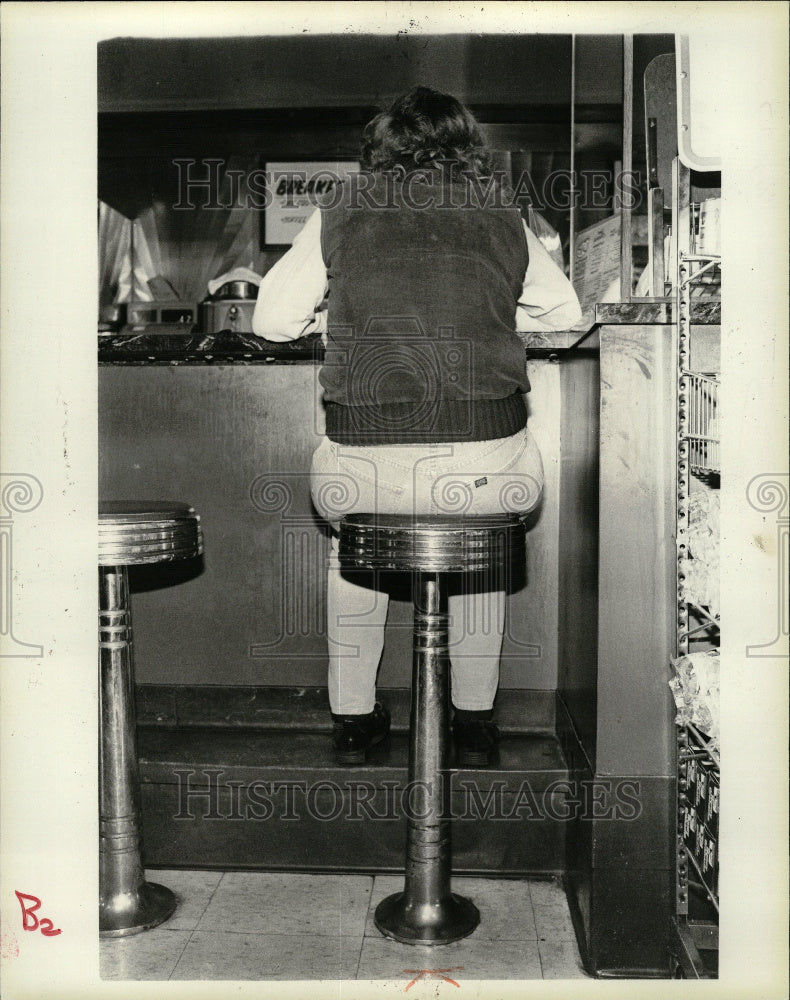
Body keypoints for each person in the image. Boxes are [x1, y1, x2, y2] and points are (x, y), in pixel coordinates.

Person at [253, 87, 581, 766]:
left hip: (364, 471)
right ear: (468, 146)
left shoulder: (340, 208)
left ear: (379, 146)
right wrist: (487, 321)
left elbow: (271, 322)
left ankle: (353, 719)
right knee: (481, 553)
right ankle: (473, 721)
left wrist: (332, 319)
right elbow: (565, 313)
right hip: (490, 475)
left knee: (355, 542)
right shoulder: (501, 210)